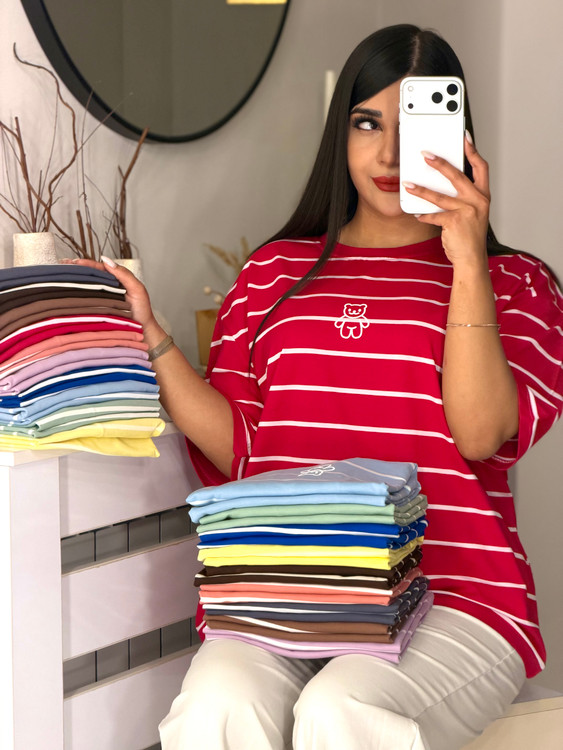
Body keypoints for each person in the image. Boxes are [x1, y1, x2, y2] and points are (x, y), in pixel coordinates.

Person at [70, 23, 562, 750]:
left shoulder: (514, 283)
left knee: (341, 707)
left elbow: (480, 433)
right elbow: (248, 450)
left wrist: (465, 260)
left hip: (458, 598)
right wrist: (154, 337)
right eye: (367, 123)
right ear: (341, 134)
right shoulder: (273, 273)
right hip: (291, 593)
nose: (389, 153)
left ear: (457, 137)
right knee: (215, 705)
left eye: (413, 124)